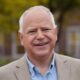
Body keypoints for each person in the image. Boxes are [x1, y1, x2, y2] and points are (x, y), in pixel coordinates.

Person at [0, 5, 80, 80]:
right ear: (21, 38)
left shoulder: (77, 68)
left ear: (55, 33)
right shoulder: (3, 75)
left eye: (45, 29)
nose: (40, 36)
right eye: (32, 31)